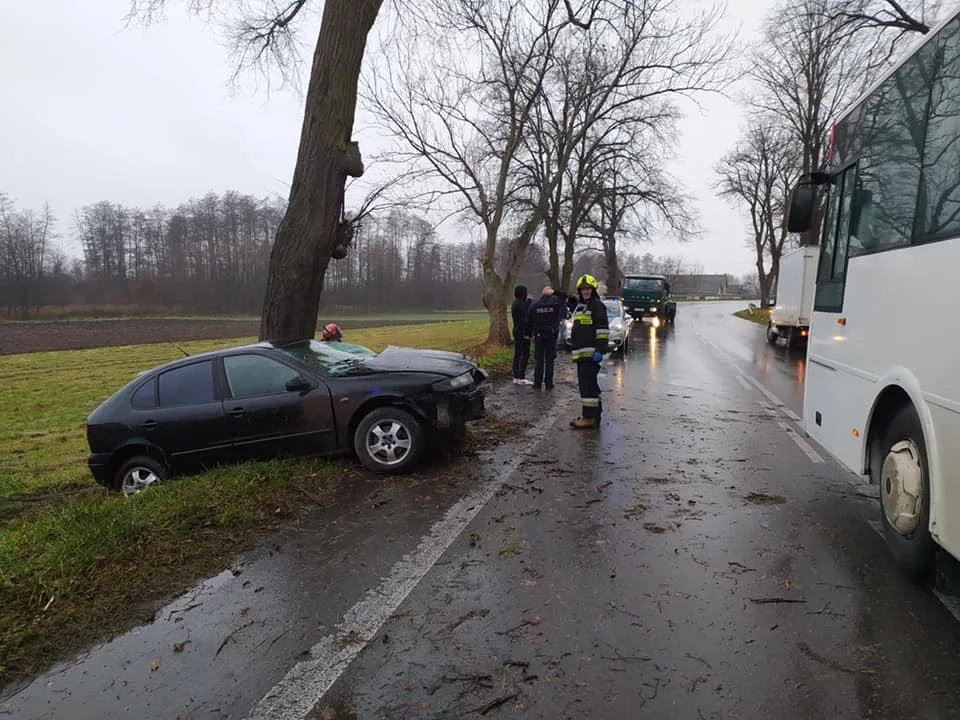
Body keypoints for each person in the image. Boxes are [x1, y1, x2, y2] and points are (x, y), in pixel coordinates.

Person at [568, 274, 609, 429]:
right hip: (582, 354)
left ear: (593, 290)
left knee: (587, 386)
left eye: (588, 289)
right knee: (590, 385)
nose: (586, 291)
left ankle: (588, 417)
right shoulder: (582, 306)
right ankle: (594, 415)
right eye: (583, 289)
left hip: (590, 354)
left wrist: (600, 350)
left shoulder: (596, 306)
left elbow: (602, 330)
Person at [525, 286, 563, 390]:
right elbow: (564, 297)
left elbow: (528, 320)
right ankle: (549, 383)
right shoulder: (555, 304)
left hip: (539, 335)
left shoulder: (535, 305)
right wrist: (555, 291)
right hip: (551, 335)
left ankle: (537, 383)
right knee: (550, 360)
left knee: (539, 360)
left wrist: (528, 334)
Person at [511, 285, 532, 384]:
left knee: (517, 354)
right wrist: (526, 333)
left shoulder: (515, 303)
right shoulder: (521, 305)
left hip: (516, 330)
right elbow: (525, 319)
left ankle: (516, 376)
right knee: (524, 354)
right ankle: (521, 376)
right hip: (522, 331)